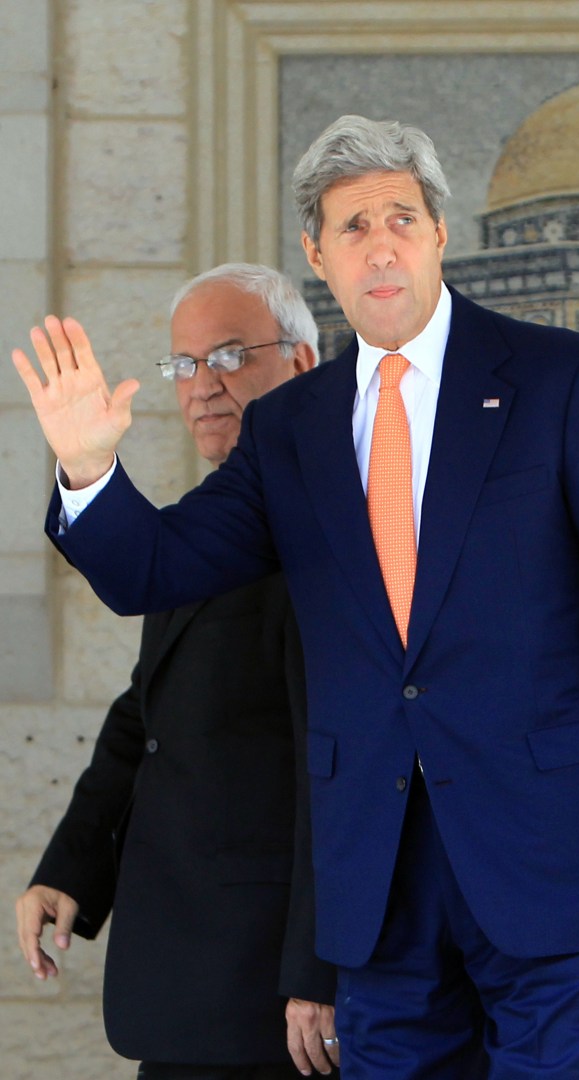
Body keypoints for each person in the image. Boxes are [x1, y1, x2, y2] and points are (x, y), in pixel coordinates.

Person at [13, 117, 579, 1080]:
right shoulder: (289, 431)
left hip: (555, 866)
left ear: (440, 231)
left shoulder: (558, 379)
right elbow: (154, 568)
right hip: (377, 890)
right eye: (352, 226)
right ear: (319, 255)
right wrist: (86, 467)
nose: (382, 243)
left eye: (401, 215)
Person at [14, 263, 340, 1080]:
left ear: (302, 365)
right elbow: (147, 713)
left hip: (277, 1001)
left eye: (230, 356)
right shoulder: (199, 526)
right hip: (184, 986)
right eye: (184, 365)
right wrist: (72, 866)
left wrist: (322, 968)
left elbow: (340, 767)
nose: (202, 386)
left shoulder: (335, 528)